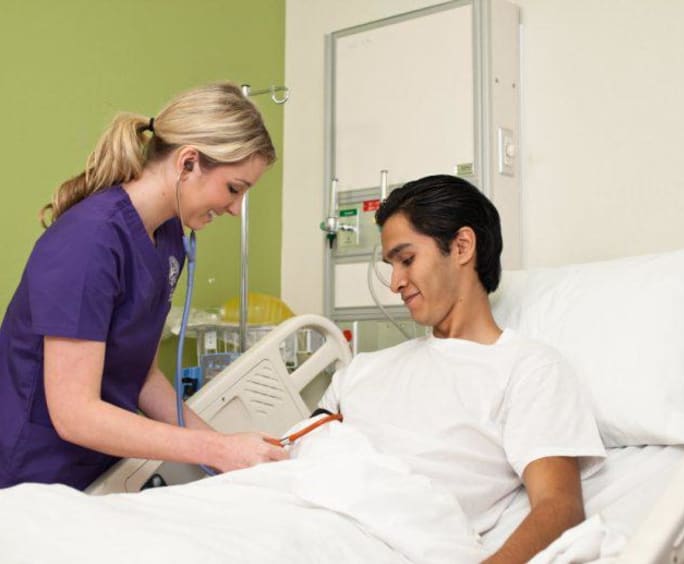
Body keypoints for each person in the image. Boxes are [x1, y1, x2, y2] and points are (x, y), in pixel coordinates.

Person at [0, 82, 288, 491]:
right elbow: (74, 414)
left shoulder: (167, 237)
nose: (235, 208)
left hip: (97, 472)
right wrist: (216, 451)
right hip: (31, 474)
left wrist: (226, 449)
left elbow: (144, 377)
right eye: (234, 188)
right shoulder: (90, 240)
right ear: (188, 163)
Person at [317, 175, 606, 563]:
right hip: (290, 516)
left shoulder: (527, 369)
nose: (395, 283)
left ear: (462, 246)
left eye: (406, 260)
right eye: (392, 265)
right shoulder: (361, 372)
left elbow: (560, 507)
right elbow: (299, 454)